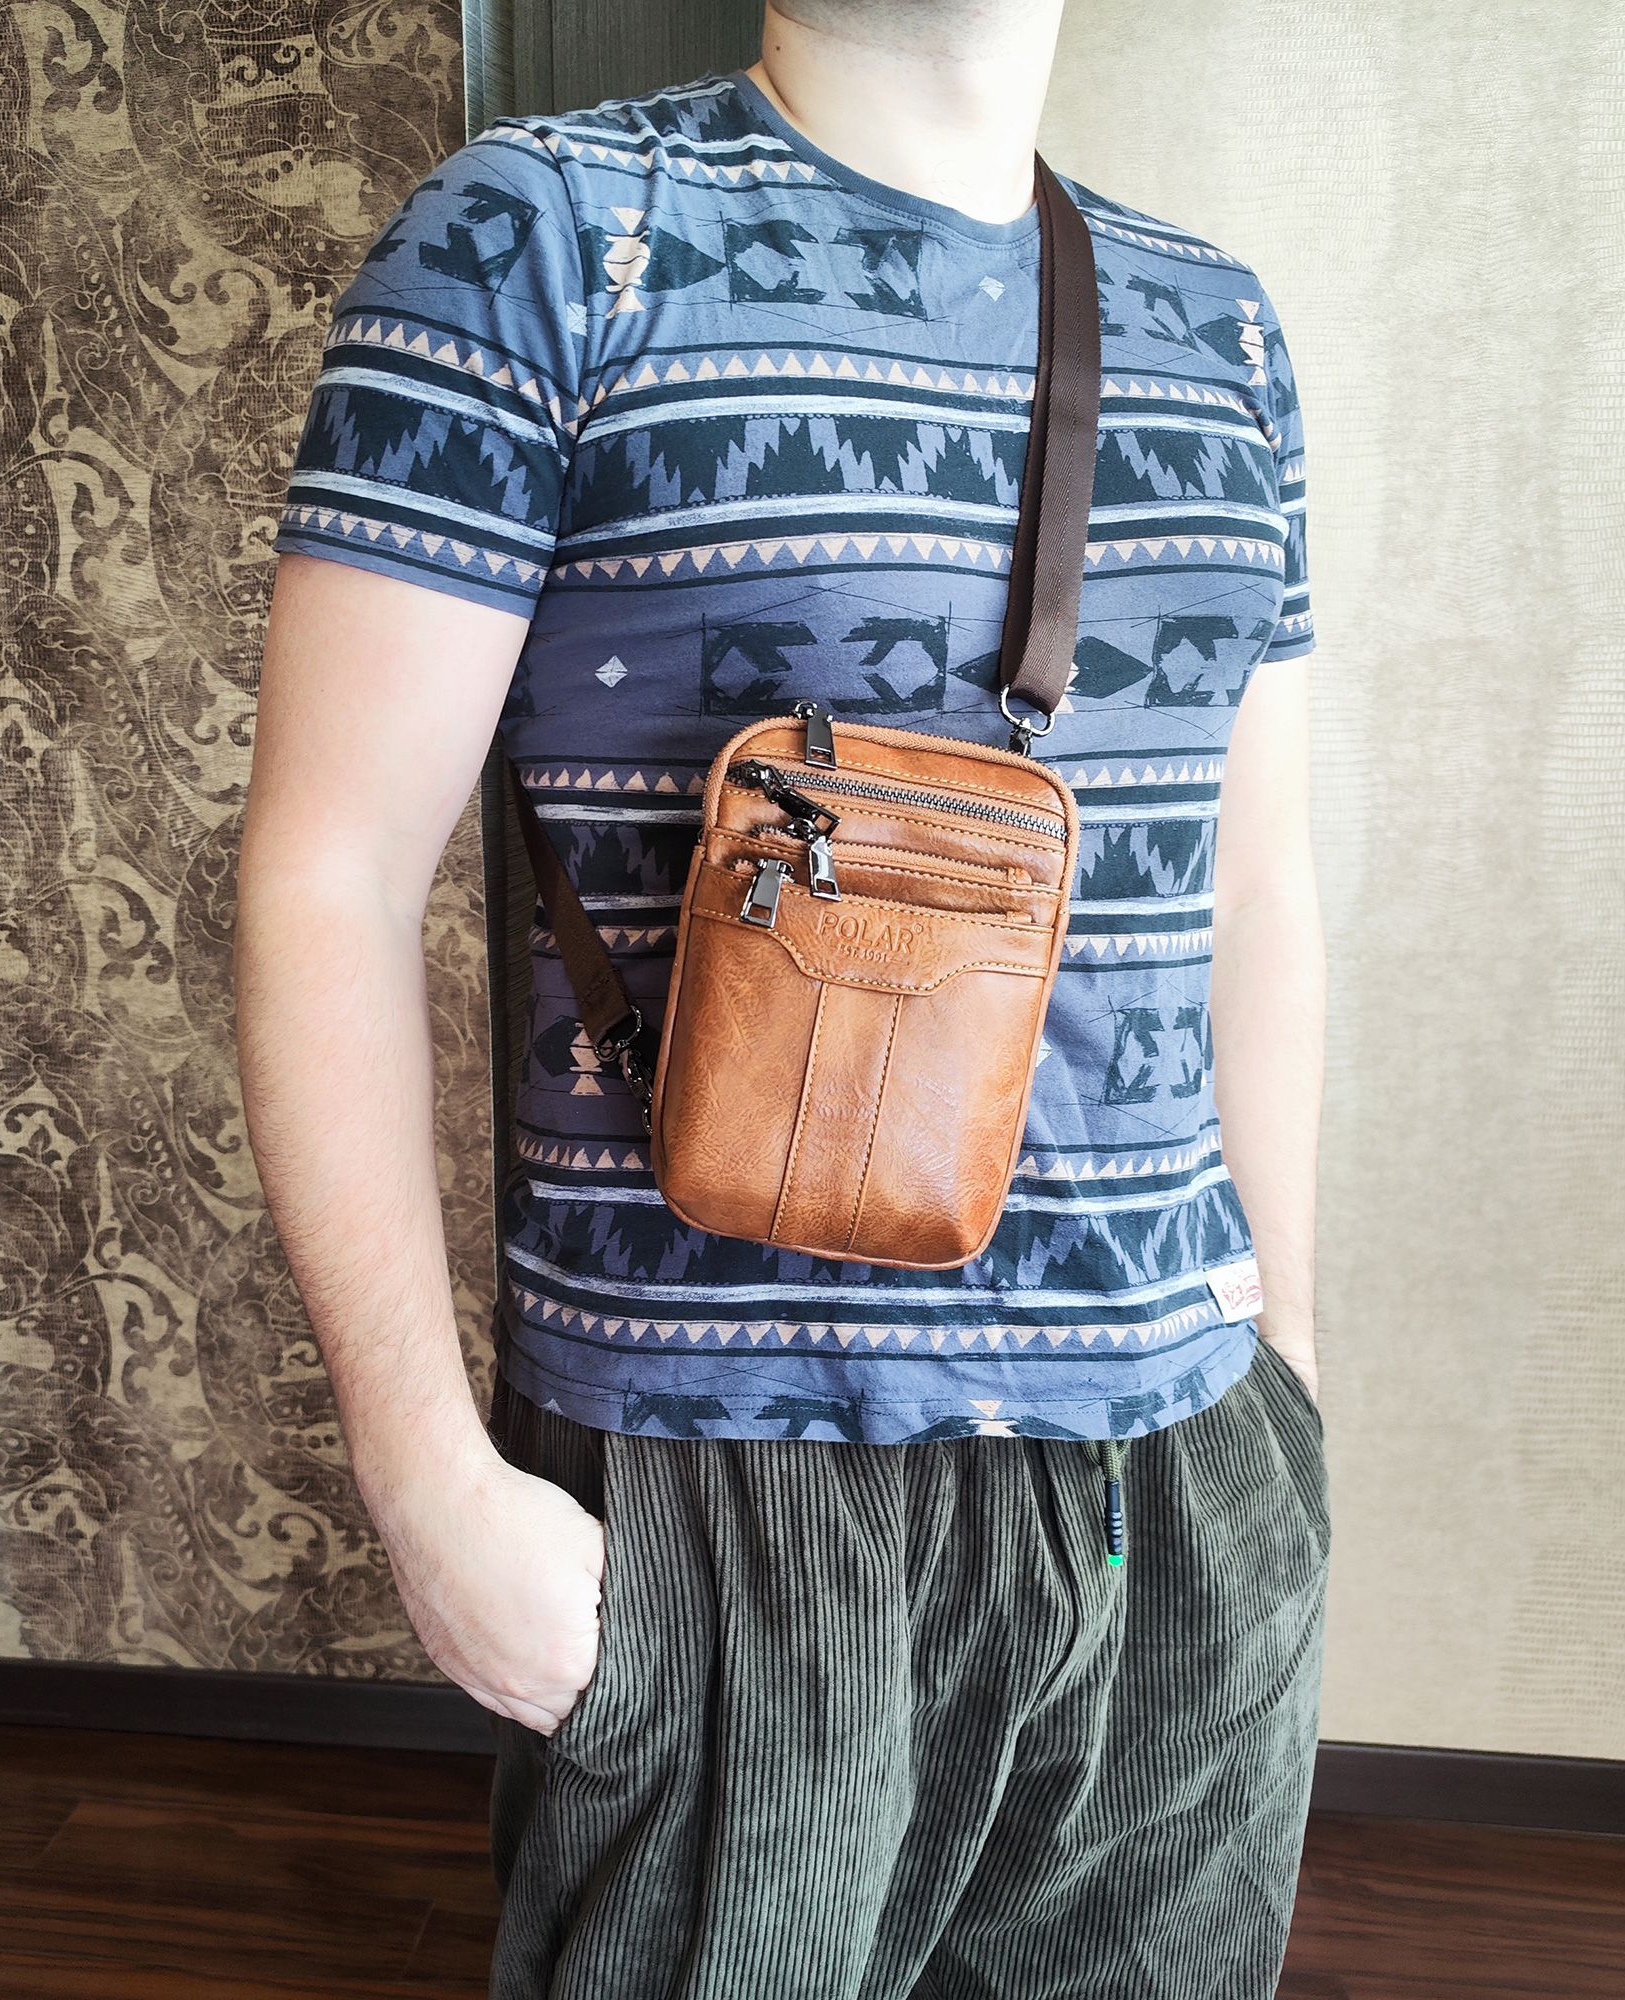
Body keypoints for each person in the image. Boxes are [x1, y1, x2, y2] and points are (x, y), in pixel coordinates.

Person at [235, 2, 1328, 1993]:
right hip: (729, 1482)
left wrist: (1289, 1378)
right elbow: (330, 874)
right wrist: (423, 1478)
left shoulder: (1223, 326)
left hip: (1174, 1466)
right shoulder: (548, 236)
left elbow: (1251, 892)